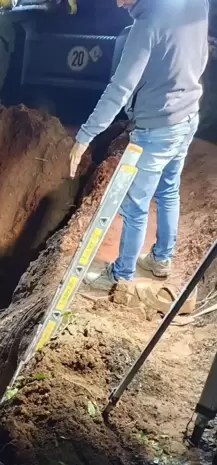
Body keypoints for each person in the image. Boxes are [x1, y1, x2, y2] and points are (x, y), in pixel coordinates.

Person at [69, 0, 209, 289]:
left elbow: (120, 89)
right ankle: (160, 259)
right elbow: (201, 52)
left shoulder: (146, 25)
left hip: (156, 128)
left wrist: (85, 135)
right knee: (168, 189)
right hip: (187, 116)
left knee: (135, 206)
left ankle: (120, 275)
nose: (118, 4)